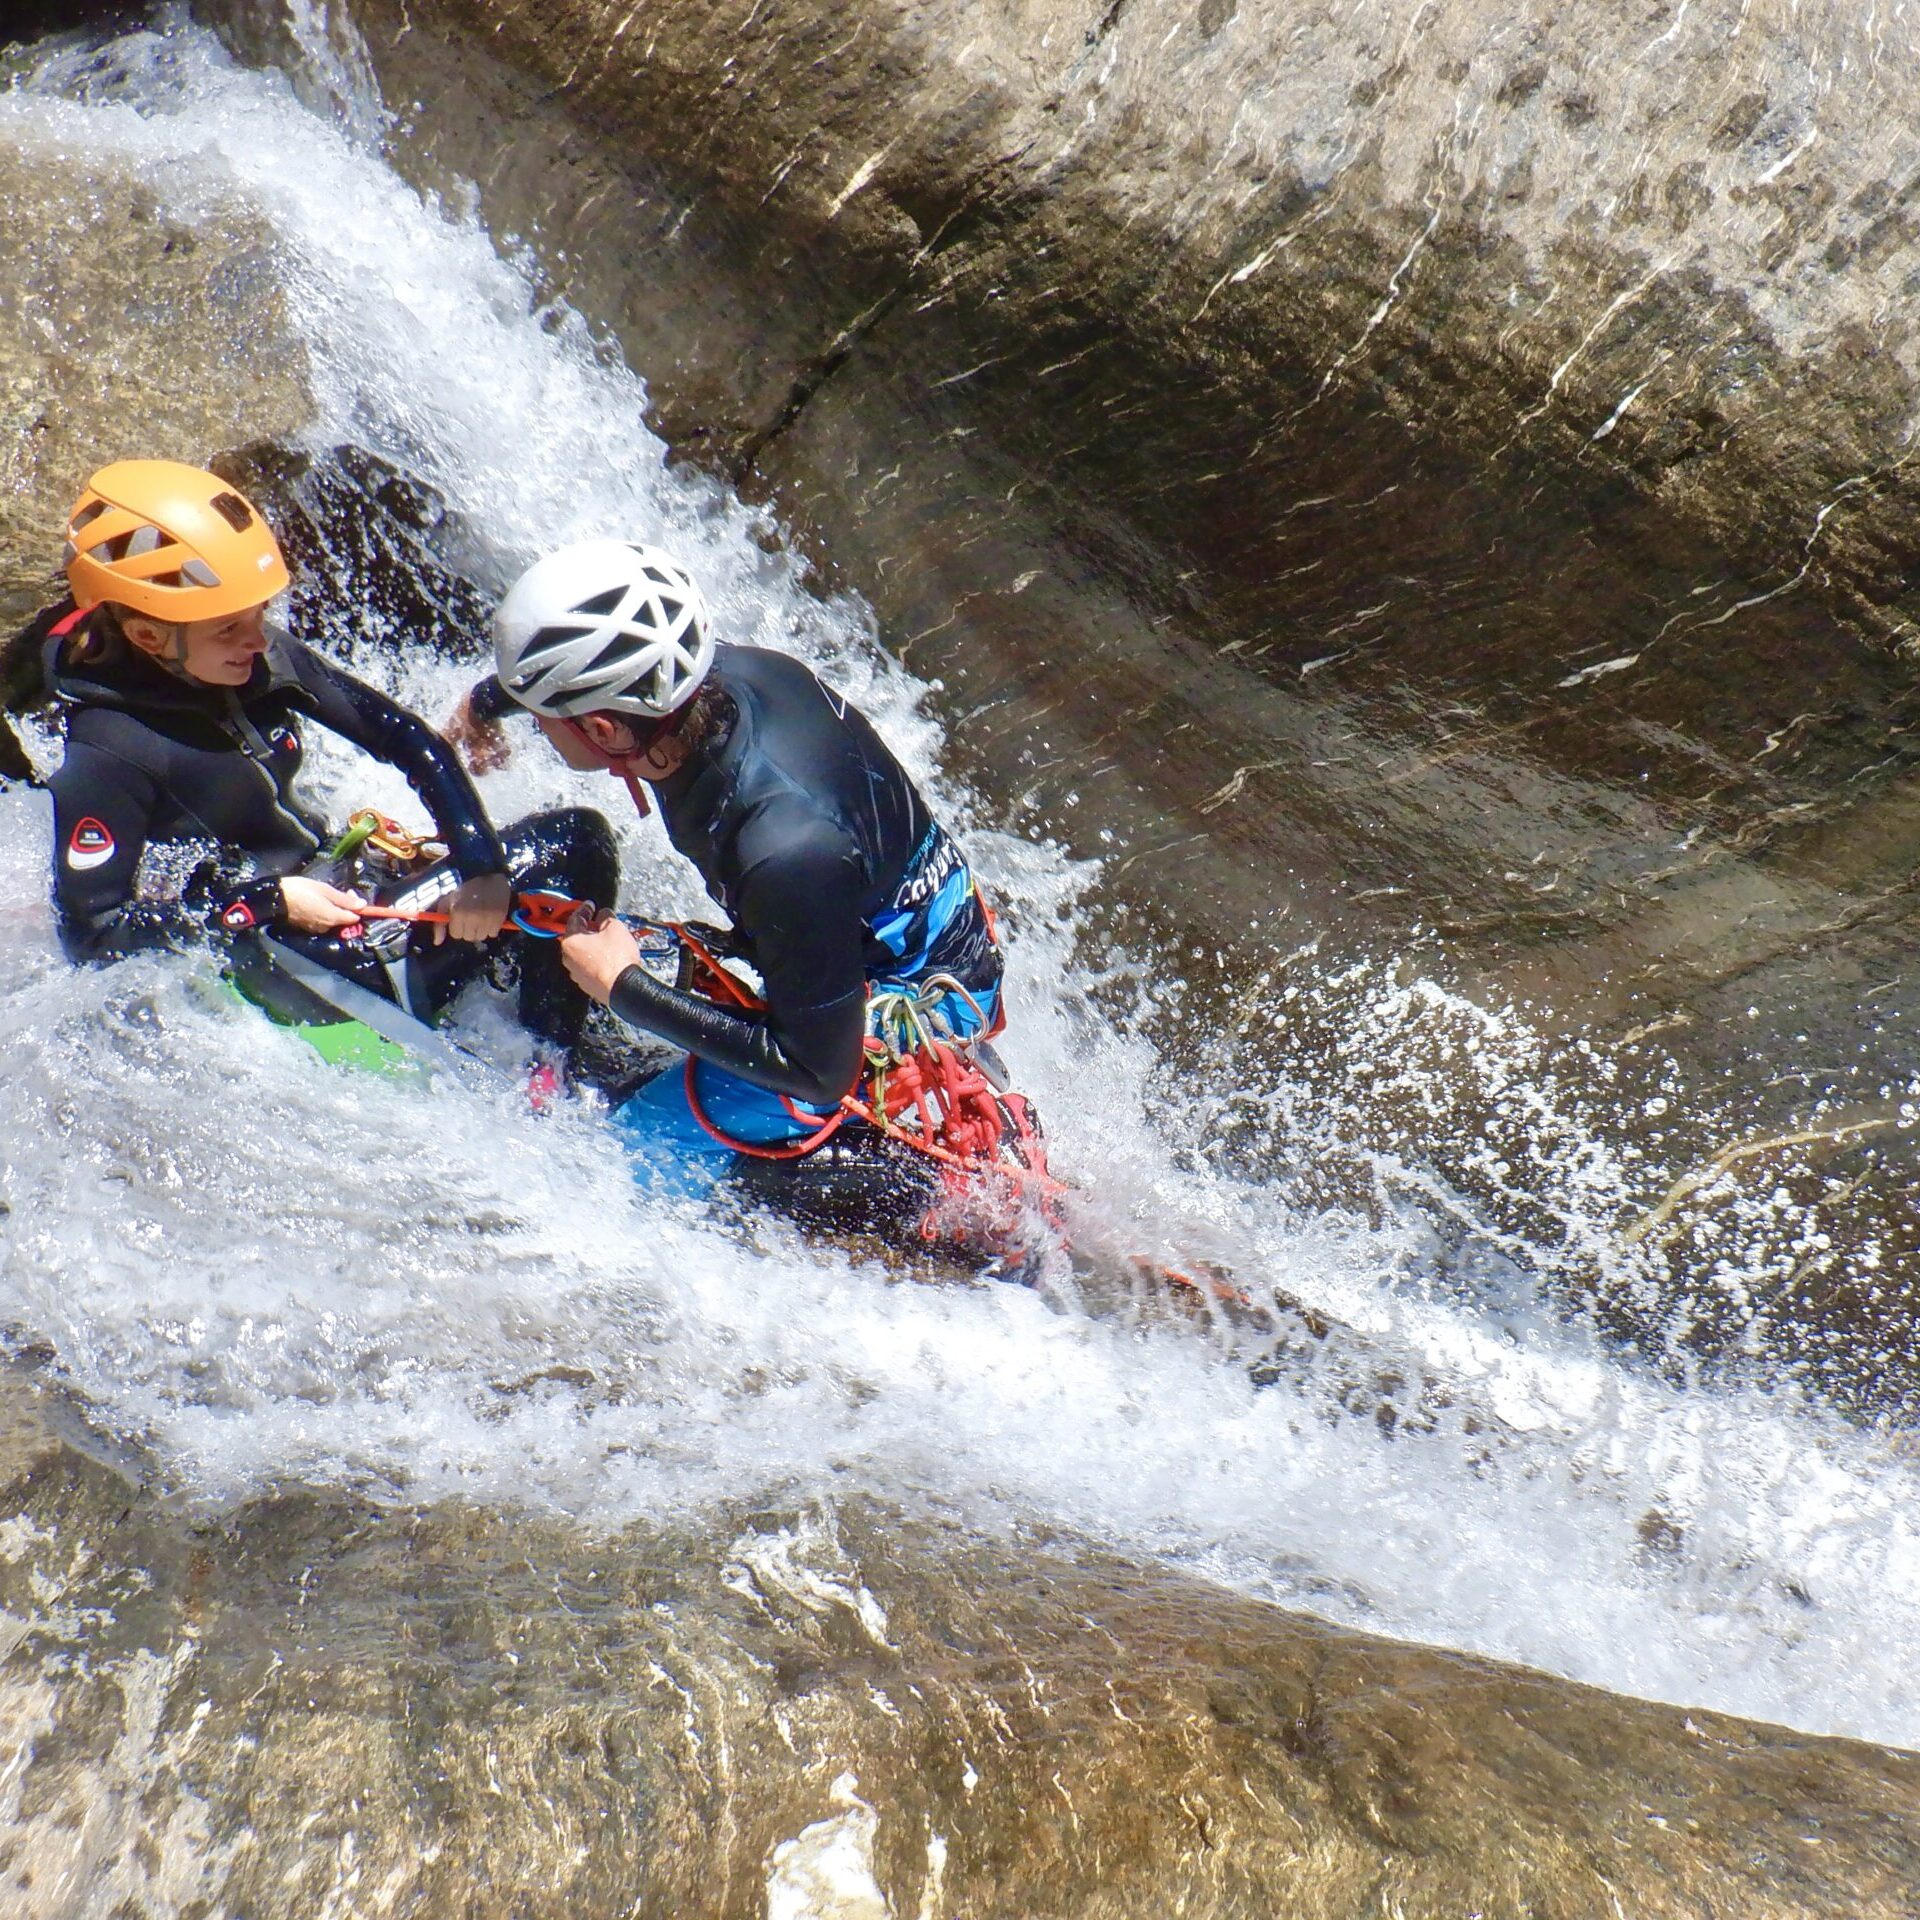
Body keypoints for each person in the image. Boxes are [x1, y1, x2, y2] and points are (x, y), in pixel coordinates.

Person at [448, 538, 1006, 1209]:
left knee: (599, 1172)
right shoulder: (714, 681)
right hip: (862, 921)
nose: (535, 728)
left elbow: (821, 1070)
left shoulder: (780, 844)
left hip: (910, 1008)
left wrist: (624, 988)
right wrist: (485, 707)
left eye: (542, 719)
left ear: (602, 727)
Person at [14, 459, 615, 1058]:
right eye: (229, 628)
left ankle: (544, 1039)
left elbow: (408, 740)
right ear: (148, 636)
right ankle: (548, 1072)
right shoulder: (108, 753)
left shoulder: (256, 658)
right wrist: (273, 900)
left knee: (542, 866)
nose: (257, 639)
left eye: (259, 616)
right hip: (303, 958)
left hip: (330, 893)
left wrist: (479, 862)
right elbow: (94, 936)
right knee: (574, 841)